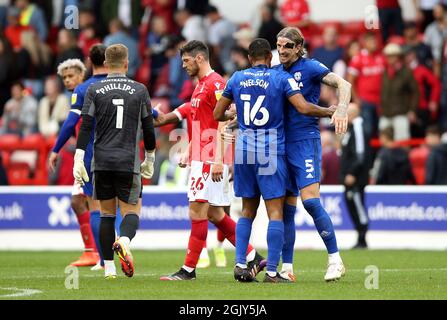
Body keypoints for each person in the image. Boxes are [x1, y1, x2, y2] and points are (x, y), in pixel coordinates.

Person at [214, 38, 336, 283]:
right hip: (270, 148)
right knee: (275, 212)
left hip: (245, 149)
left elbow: (218, 114)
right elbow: (302, 107)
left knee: (247, 211)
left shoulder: (236, 78)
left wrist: (236, 113)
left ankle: (240, 264)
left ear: (249, 58)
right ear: (270, 59)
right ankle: (271, 271)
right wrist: (328, 111)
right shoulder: (280, 78)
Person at [160, 40, 265, 281]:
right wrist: (189, 149)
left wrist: (218, 159)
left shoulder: (217, 83)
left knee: (197, 211)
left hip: (209, 159)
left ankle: (188, 270)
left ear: (199, 59)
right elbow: (202, 122)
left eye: (186, 61)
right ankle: (253, 257)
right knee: (215, 214)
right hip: (202, 155)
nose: (183, 65)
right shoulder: (200, 86)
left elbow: (223, 122)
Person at [73, 44, 156, 280]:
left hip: (101, 161)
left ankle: (109, 269)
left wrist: (78, 157)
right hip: (127, 160)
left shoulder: (95, 89)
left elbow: (86, 125)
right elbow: (149, 128)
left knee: (106, 214)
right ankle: (124, 241)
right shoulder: (140, 90)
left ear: (106, 64)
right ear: (127, 63)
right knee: (132, 212)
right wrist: (149, 156)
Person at [274, 27, 350, 281]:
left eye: (287, 46)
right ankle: (287, 268)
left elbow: (344, 83)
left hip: (305, 141)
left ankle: (335, 259)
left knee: (311, 201)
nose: (282, 50)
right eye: (279, 45)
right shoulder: (275, 73)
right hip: (282, 144)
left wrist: (340, 109)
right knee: (286, 209)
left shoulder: (311, 67)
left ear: (298, 47)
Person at [49, 49, 108, 269]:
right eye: (64, 78)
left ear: (82, 75)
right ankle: (96, 252)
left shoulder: (82, 93)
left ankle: (97, 254)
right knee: (82, 202)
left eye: (71, 76)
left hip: (90, 155)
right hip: (100, 154)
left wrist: (56, 148)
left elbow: (70, 125)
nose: (67, 80)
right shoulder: (82, 93)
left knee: (91, 204)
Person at [152, 102, 229, 268]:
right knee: (201, 210)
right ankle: (203, 252)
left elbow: (224, 131)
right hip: (197, 163)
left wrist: (224, 160)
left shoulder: (220, 106)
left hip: (218, 161)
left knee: (219, 211)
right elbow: (166, 120)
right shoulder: (190, 106)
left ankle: (221, 247)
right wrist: (151, 114)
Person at [340, 103, 371, 249]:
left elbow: (360, 154)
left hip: (356, 178)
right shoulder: (352, 129)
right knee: (353, 206)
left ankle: (362, 239)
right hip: (349, 178)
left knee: (358, 207)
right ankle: (360, 238)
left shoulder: (358, 128)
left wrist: (352, 172)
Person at [379, 43, 419, 141]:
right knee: (384, 140)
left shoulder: (406, 72)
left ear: (398, 56)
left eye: (393, 55)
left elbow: (415, 92)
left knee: (402, 141)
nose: (390, 58)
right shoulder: (385, 72)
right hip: (386, 113)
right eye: (388, 56)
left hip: (401, 113)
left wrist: (412, 110)